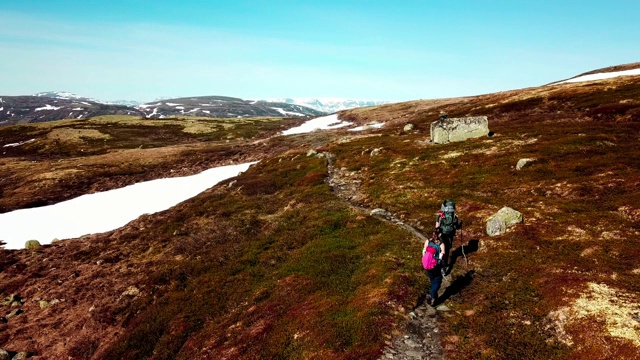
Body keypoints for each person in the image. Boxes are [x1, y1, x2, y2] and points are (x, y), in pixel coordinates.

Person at [435, 199, 462, 273]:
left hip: (441, 236)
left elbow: (437, 227)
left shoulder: (440, 216)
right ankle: (444, 267)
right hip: (450, 236)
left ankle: (437, 264)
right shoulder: (454, 217)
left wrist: (436, 236)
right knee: (446, 250)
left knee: (439, 249)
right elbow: (457, 227)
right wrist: (460, 225)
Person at [423, 231, 446, 307]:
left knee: (433, 280)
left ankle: (433, 300)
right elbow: (442, 256)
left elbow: (424, 251)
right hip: (435, 265)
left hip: (427, 264)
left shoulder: (428, 241)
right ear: (440, 235)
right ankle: (431, 295)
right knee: (438, 280)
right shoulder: (441, 244)